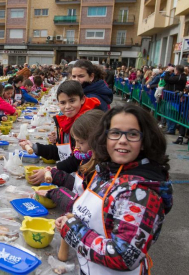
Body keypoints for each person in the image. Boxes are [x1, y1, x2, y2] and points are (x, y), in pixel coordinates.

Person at [56, 104, 173, 275]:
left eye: (132, 134)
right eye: (115, 133)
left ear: (144, 142)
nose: (122, 140)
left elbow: (124, 256)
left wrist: (73, 229)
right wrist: (74, 219)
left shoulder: (141, 193)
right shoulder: (106, 172)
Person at [34, 110, 104, 212]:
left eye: (81, 142)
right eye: (76, 141)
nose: (76, 147)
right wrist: (55, 174)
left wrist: (56, 194)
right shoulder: (86, 160)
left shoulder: (99, 172)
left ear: (98, 142)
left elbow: (86, 208)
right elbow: (78, 186)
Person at [19, 80, 101, 162]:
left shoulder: (87, 123)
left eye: (72, 101)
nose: (67, 106)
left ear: (82, 99)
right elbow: (62, 152)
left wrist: (55, 171)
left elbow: (76, 160)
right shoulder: (65, 122)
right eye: (63, 103)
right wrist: (34, 147)